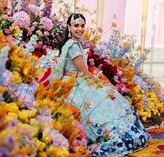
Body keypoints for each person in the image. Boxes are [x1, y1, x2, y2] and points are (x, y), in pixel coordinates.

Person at [56, 13, 149, 157]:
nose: (80, 29)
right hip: (75, 84)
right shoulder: (73, 46)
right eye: (76, 26)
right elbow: (84, 73)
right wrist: (101, 83)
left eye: (82, 26)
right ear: (69, 27)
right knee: (105, 98)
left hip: (74, 80)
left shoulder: (71, 43)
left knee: (107, 96)